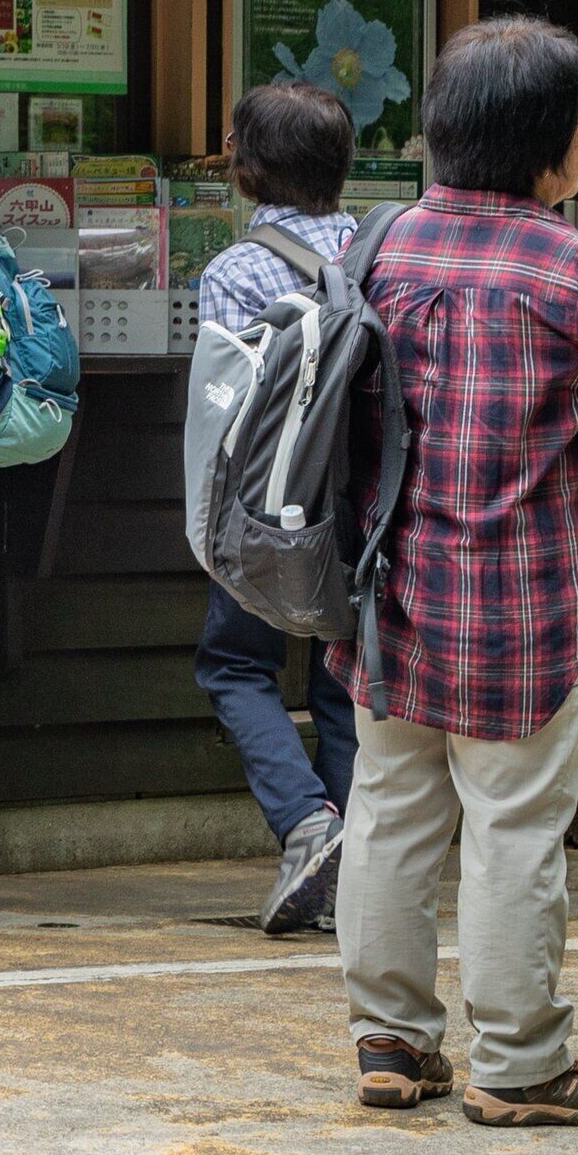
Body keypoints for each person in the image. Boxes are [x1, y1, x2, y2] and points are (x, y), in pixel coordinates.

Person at [331, 16, 578, 1129]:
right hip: (527, 607)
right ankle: (519, 1063)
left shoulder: (380, 247)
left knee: (388, 810)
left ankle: (390, 1044)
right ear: (547, 140)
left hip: (386, 594)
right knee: (513, 829)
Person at [189, 82, 366, 936]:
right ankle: (354, 873)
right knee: (346, 676)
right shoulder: (379, 252)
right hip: (366, 507)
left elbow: (226, 415)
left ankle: (306, 823)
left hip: (271, 510)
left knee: (235, 663)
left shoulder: (234, 271)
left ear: (247, 166)